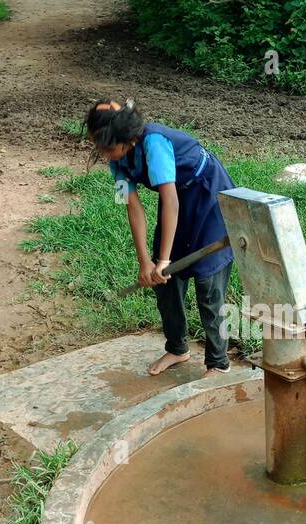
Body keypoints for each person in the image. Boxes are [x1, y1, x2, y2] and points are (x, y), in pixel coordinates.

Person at [83, 98, 235, 377]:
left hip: (208, 195)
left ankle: (218, 362)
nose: (103, 154)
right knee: (163, 282)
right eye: (99, 147)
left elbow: (170, 201)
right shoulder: (116, 161)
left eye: (106, 147)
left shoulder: (154, 144)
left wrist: (164, 259)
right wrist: (146, 262)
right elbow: (132, 206)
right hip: (176, 200)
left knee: (209, 284)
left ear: (125, 138)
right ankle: (178, 348)